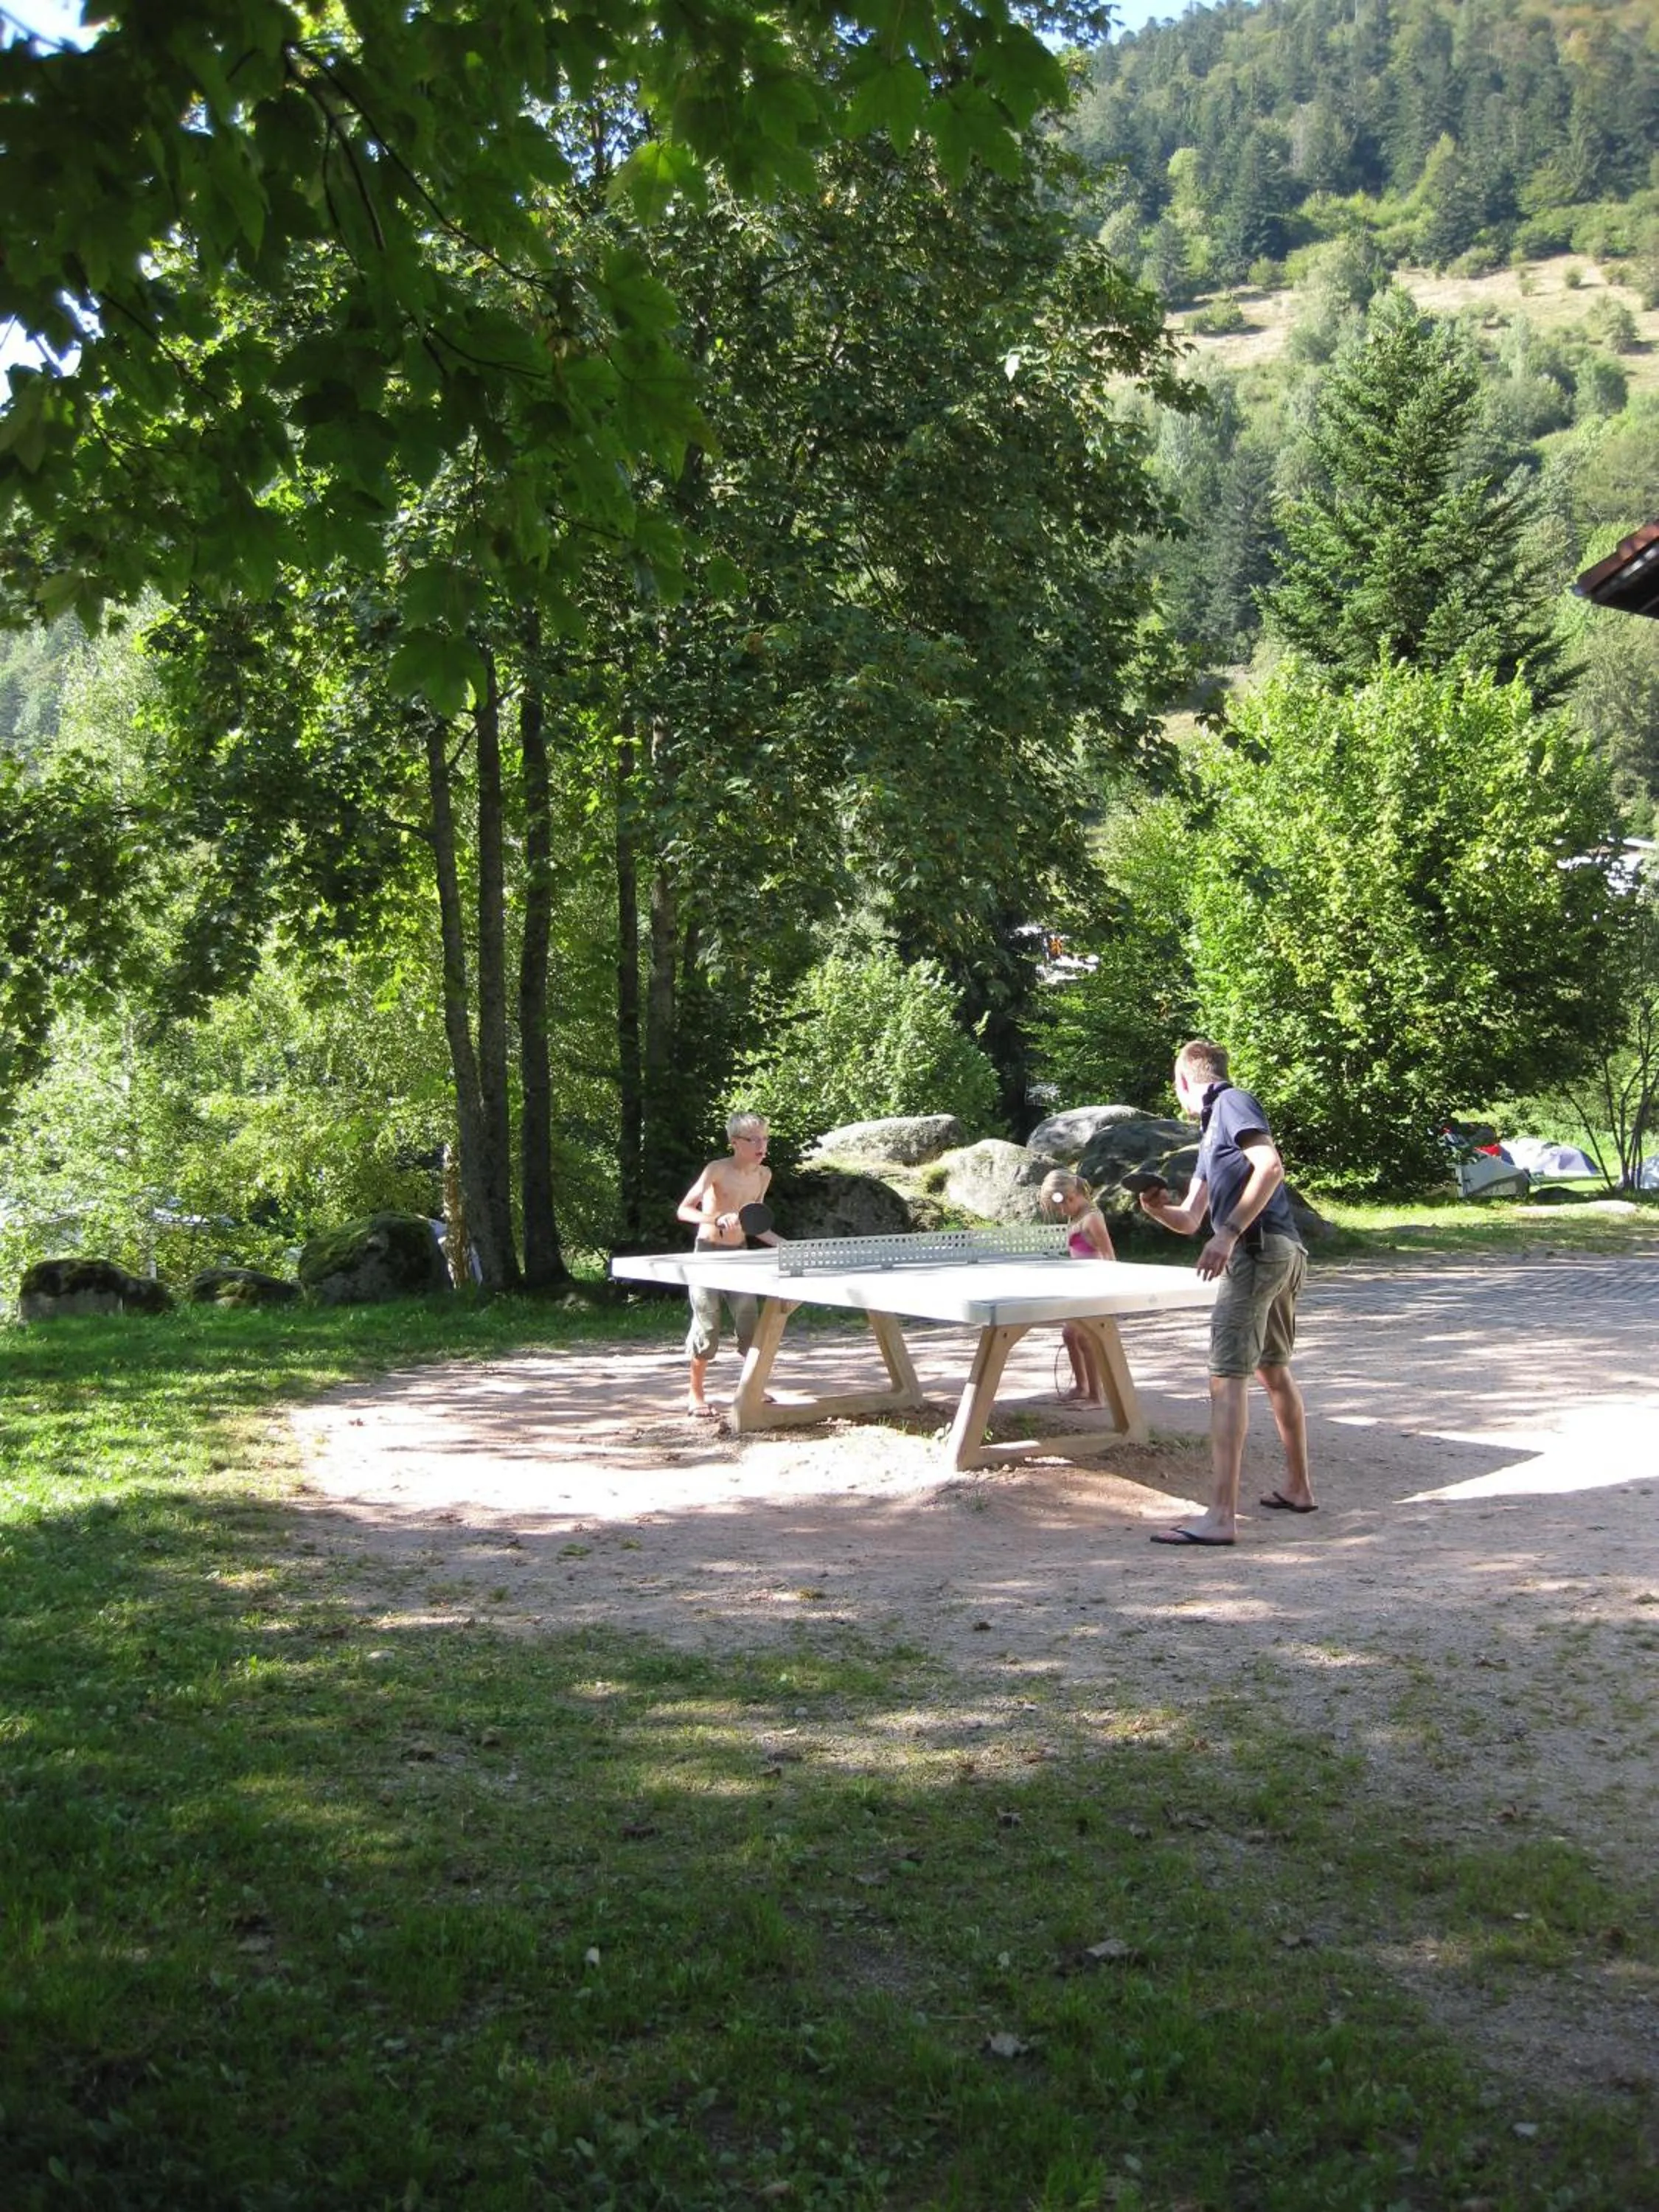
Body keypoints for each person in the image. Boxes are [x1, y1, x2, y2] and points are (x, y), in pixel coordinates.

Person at [1137, 1039, 1314, 1545]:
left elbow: (1270, 1166)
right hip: (1279, 1250)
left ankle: (1220, 1517)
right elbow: (1192, 1218)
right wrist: (1156, 1208)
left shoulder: (1231, 1102)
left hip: (1257, 1252)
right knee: (1272, 1369)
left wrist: (1229, 1233)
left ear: (1184, 1080)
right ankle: (1298, 1488)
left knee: (1226, 1376)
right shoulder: (1210, 1131)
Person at [675, 1110, 779, 1418]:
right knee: (707, 1326)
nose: (762, 1145)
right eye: (754, 1139)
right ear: (735, 1143)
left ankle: (753, 1389)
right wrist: (716, 1218)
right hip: (707, 1255)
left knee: (750, 1324)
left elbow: (755, 1225)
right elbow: (684, 1211)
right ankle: (695, 1394)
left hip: (740, 1255)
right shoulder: (717, 1170)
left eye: (765, 1139)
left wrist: (787, 1246)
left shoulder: (764, 1175)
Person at [1039, 1168, 1118, 1404]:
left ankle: (1096, 1396)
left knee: (1086, 1338)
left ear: (1071, 1197)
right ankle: (1082, 1387)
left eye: (1060, 1207)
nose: (1061, 1212)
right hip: (1081, 1290)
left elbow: (1109, 1257)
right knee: (1070, 1334)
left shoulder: (1092, 1218)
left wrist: (1108, 1292)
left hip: (1095, 1291)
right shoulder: (1075, 1218)